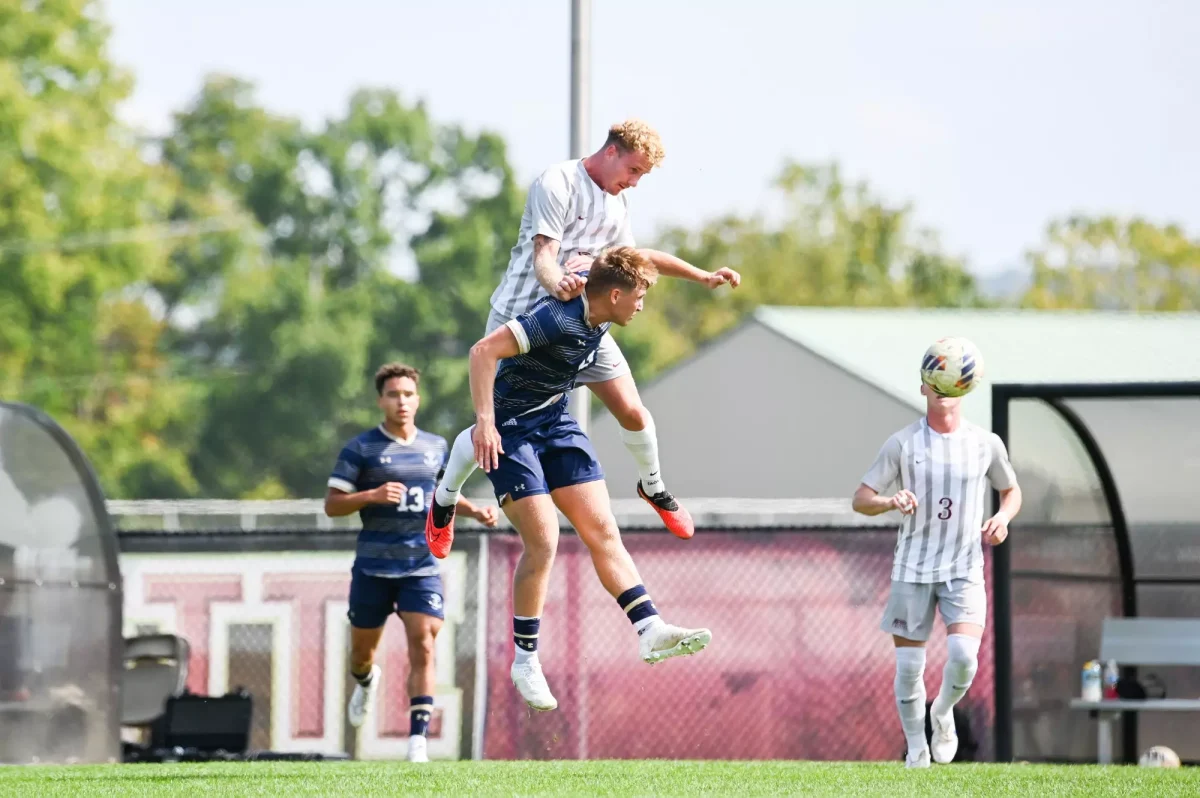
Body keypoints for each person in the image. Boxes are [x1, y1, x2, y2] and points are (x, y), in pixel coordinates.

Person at [432, 118, 741, 549]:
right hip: (526, 323)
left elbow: (635, 260)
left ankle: (652, 486)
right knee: (493, 429)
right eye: (634, 171)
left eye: (642, 176)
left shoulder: (617, 204)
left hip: (585, 326)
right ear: (611, 152)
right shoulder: (557, 181)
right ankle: (445, 497)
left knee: (633, 412)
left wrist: (702, 276)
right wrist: (556, 281)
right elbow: (544, 254)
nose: (634, 183)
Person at [428, 247, 711, 711]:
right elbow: (483, 351)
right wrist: (485, 421)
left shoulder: (600, 308)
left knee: (603, 531)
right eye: (639, 296)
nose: (642, 305)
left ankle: (648, 628)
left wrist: (700, 276)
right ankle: (525, 660)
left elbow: (634, 258)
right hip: (513, 429)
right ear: (615, 295)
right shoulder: (555, 319)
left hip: (557, 424)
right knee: (544, 541)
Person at [324, 363, 498, 762]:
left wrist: (475, 512)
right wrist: (371, 495)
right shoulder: (361, 449)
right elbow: (332, 505)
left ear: (417, 399)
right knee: (361, 655)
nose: (401, 401)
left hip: (420, 567)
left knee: (423, 644)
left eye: (407, 394)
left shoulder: (437, 447)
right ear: (380, 400)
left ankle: (417, 741)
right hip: (372, 569)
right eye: (392, 394)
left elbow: (444, 494)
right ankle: (366, 682)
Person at [851, 365, 1022, 769]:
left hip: (964, 568)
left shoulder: (985, 443)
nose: (944, 389)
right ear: (924, 387)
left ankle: (942, 713)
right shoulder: (904, 443)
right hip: (912, 568)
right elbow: (861, 498)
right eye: (936, 379)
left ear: (965, 387)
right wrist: (890, 502)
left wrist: (1003, 518)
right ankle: (916, 748)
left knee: (964, 658)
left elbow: (1010, 490)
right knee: (910, 666)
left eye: (953, 380)